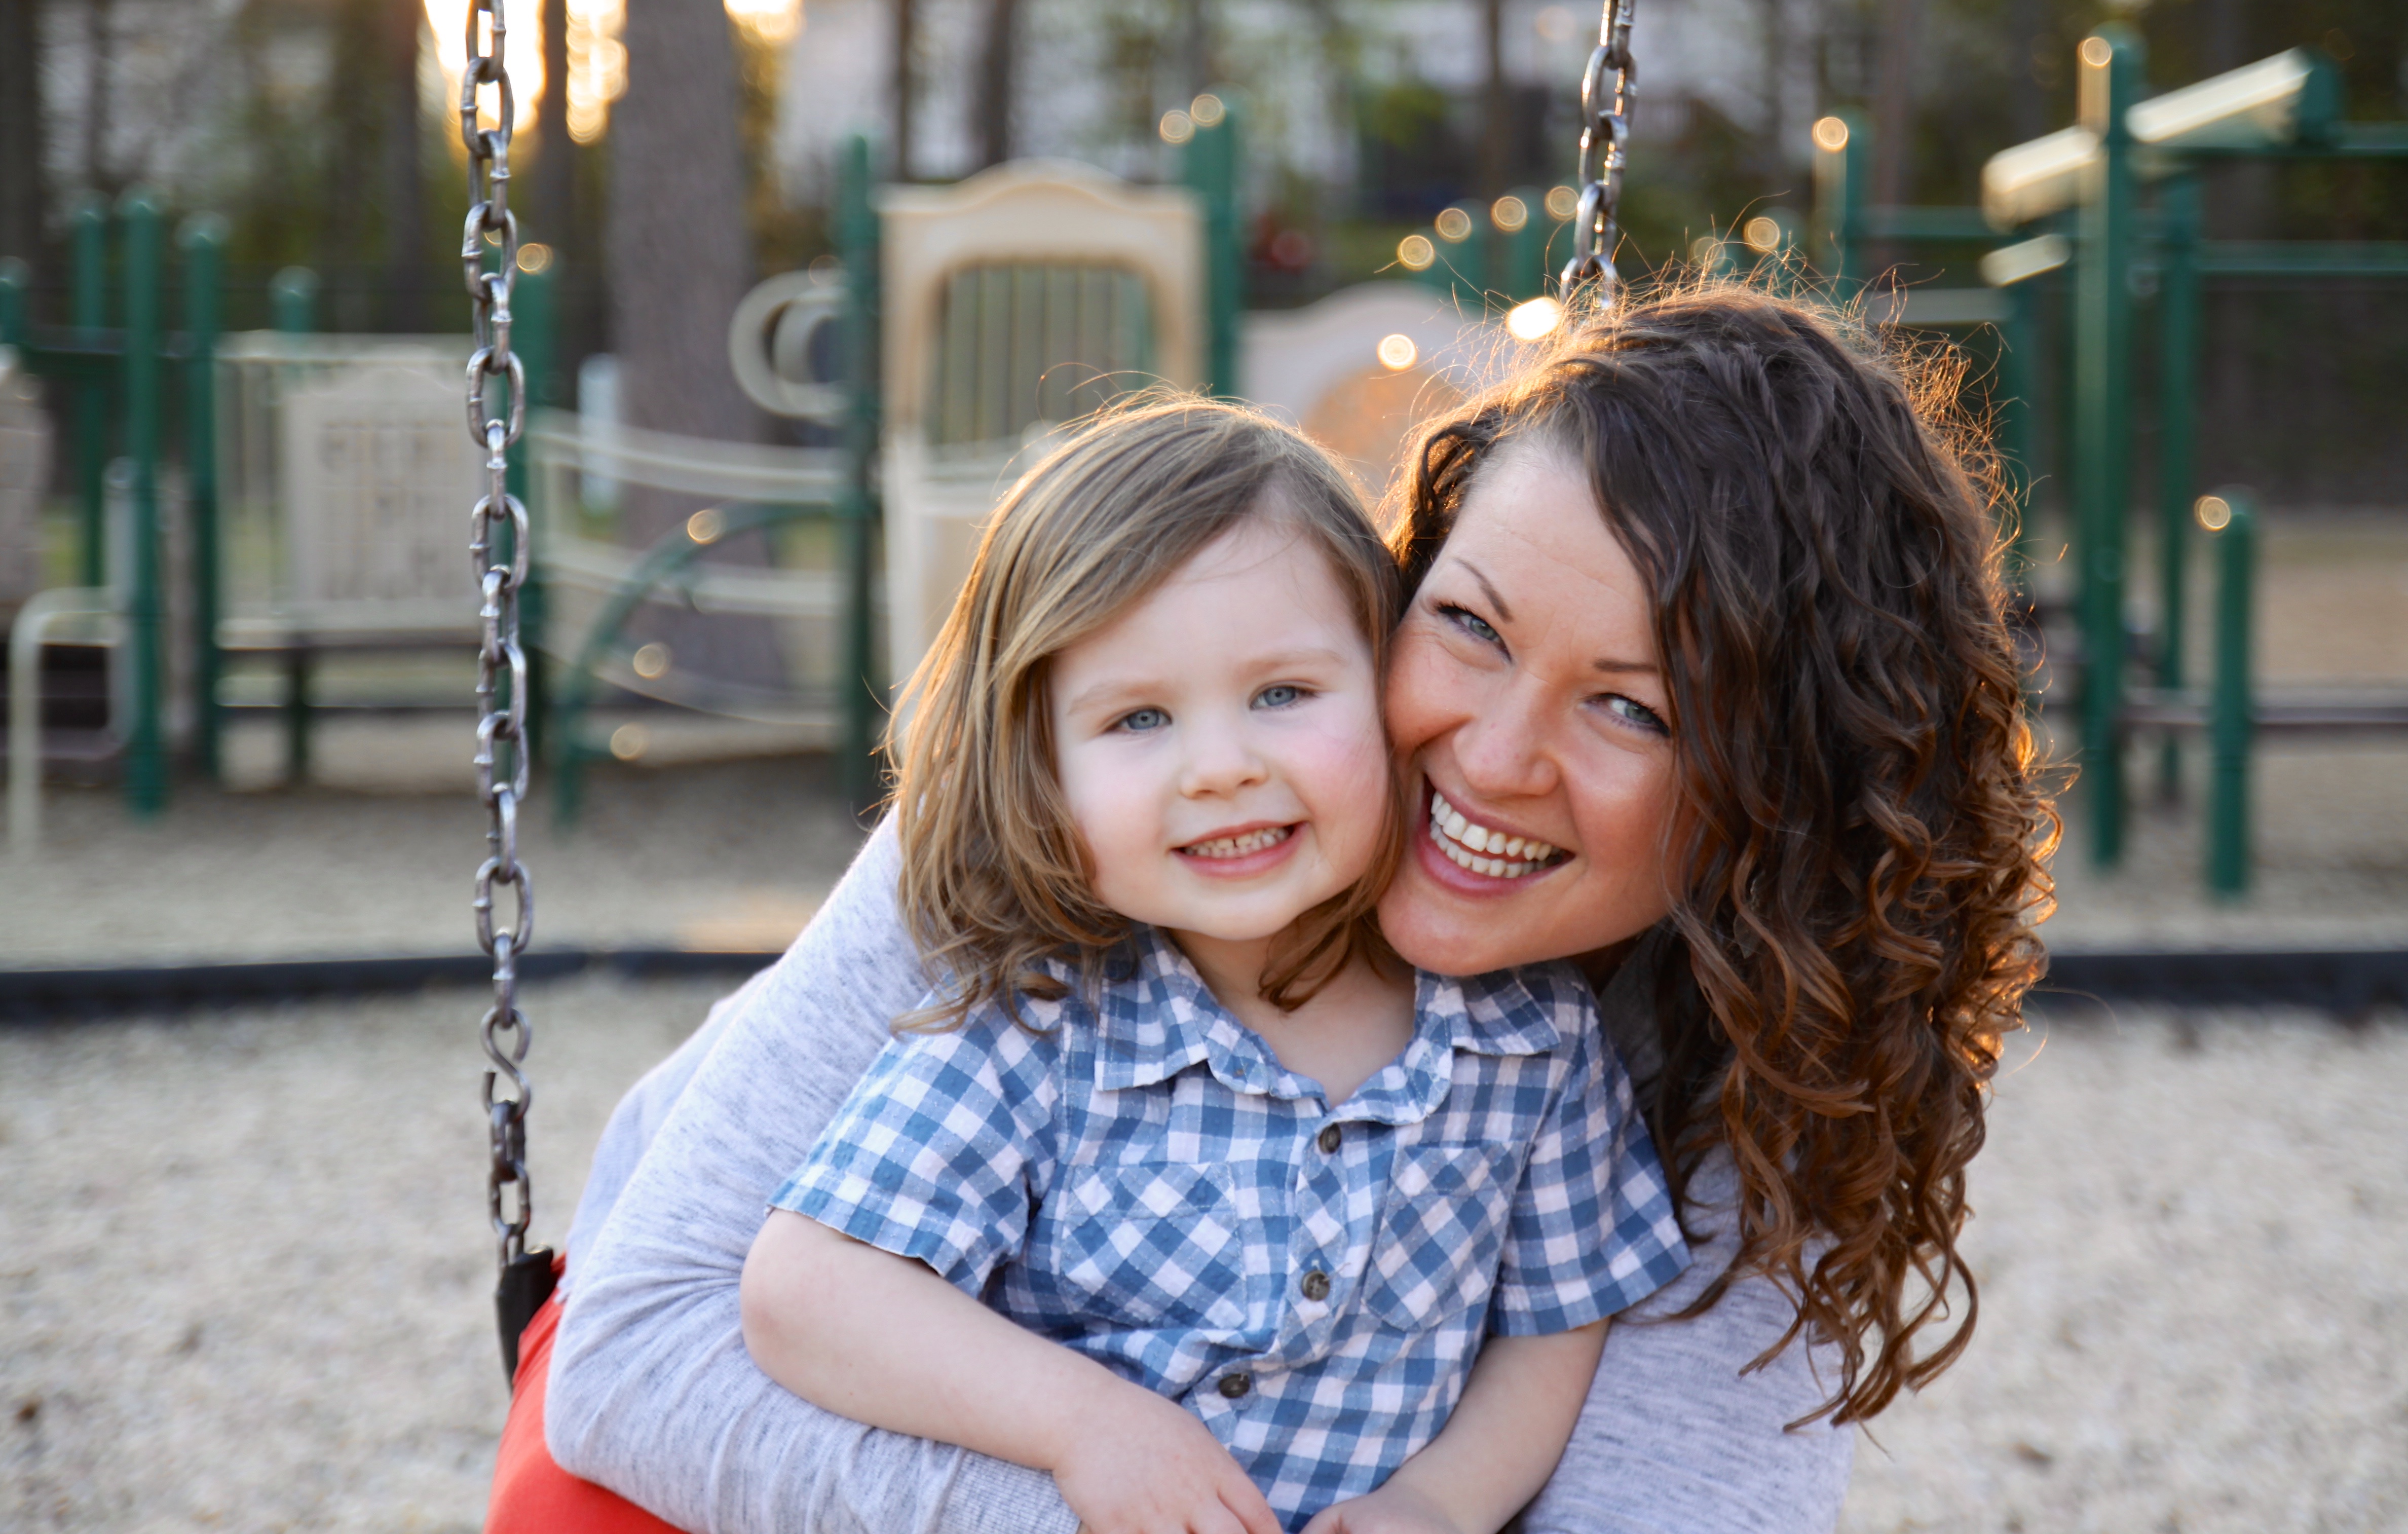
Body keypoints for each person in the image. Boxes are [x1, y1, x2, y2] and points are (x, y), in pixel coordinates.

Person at [500, 283, 2050, 1534]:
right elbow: (653, 1361)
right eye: (1469, 624)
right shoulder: (1099, 829)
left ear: (1785, 801)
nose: (1491, 760)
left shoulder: (1724, 1062)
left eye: (1632, 710)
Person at [737, 404, 1688, 1534]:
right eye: (1139, 718)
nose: (1220, 769)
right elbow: (808, 1290)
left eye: (1282, 694)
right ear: (1041, 773)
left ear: (1386, 682)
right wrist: (1082, 1426)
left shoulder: (1533, 1036)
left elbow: (1556, 1319)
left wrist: (1442, 1502)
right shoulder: (1041, 1022)